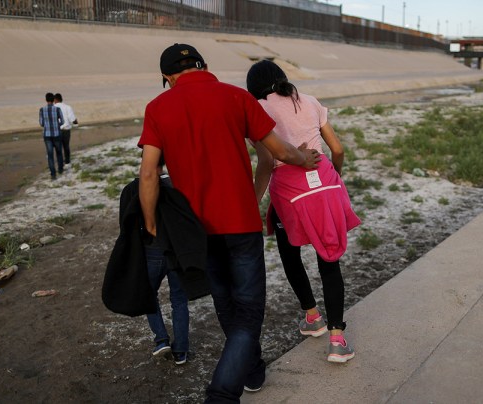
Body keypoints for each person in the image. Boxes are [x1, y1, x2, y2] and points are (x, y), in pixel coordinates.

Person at [138, 43, 320, 403]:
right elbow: (277, 151)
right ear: (204, 65)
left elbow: (148, 174)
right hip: (241, 222)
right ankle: (223, 393)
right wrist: (305, 159)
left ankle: (251, 370)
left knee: (225, 304)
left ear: (167, 77)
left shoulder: (157, 108)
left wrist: (150, 224)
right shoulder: (236, 98)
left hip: (196, 231)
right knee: (249, 310)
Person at [246, 59, 361, 363]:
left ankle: (313, 317)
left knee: (290, 251)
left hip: (289, 190)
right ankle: (338, 340)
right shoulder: (309, 101)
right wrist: (334, 179)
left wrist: (254, 201)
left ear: (254, 87)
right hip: (324, 179)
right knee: (329, 258)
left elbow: (268, 162)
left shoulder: (257, 108)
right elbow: (337, 149)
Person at [145, 155, 190, 366]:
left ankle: (161, 339)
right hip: (177, 252)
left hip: (153, 250)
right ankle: (181, 351)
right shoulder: (177, 185)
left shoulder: (140, 187)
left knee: (148, 295)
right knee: (179, 300)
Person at [39, 92, 65, 180]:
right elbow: (63, 121)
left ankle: (53, 174)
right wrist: (57, 125)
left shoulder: (42, 109)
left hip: (47, 135)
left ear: (46, 100)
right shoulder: (57, 109)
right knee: (59, 153)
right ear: (53, 100)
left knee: (50, 155)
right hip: (57, 134)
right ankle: (60, 169)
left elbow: (41, 123)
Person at [53, 93, 78, 165]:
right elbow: (72, 118)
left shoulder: (53, 108)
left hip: (57, 130)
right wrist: (76, 123)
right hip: (66, 130)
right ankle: (67, 161)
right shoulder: (68, 107)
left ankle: (60, 162)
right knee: (66, 146)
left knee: (58, 147)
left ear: (55, 100)